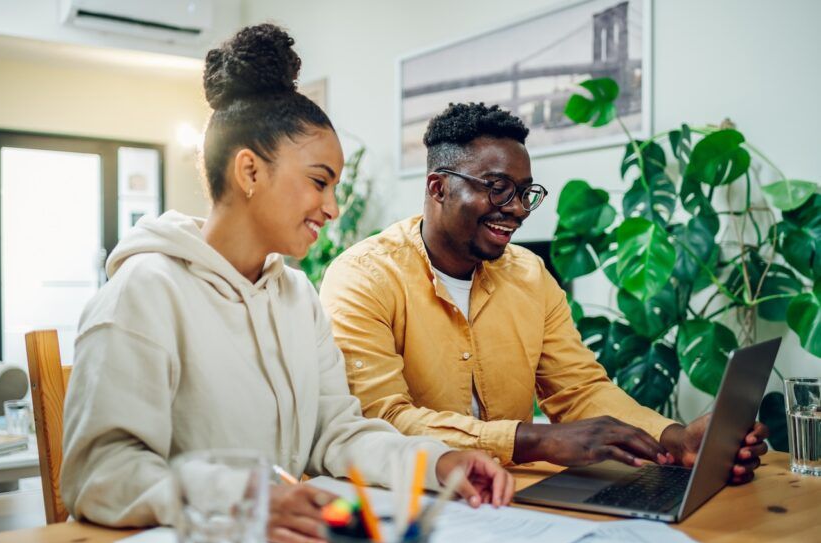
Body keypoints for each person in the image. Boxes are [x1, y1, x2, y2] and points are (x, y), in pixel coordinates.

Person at [61, 26, 514, 543]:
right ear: (249, 170)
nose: (332, 208)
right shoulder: (143, 293)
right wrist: (244, 499)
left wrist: (440, 462)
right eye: (320, 181)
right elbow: (100, 474)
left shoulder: (298, 299)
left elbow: (337, 433)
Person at [319, 102, 767, 484]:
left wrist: (673, 440)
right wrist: (536, 438)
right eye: (497, 189)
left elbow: (578, 389)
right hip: (406, 505)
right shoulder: (363, 278)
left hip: (510, 498)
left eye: (524, 192)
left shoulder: (530, 275)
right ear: (439, 187)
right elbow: (382, 421)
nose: (516, 210)